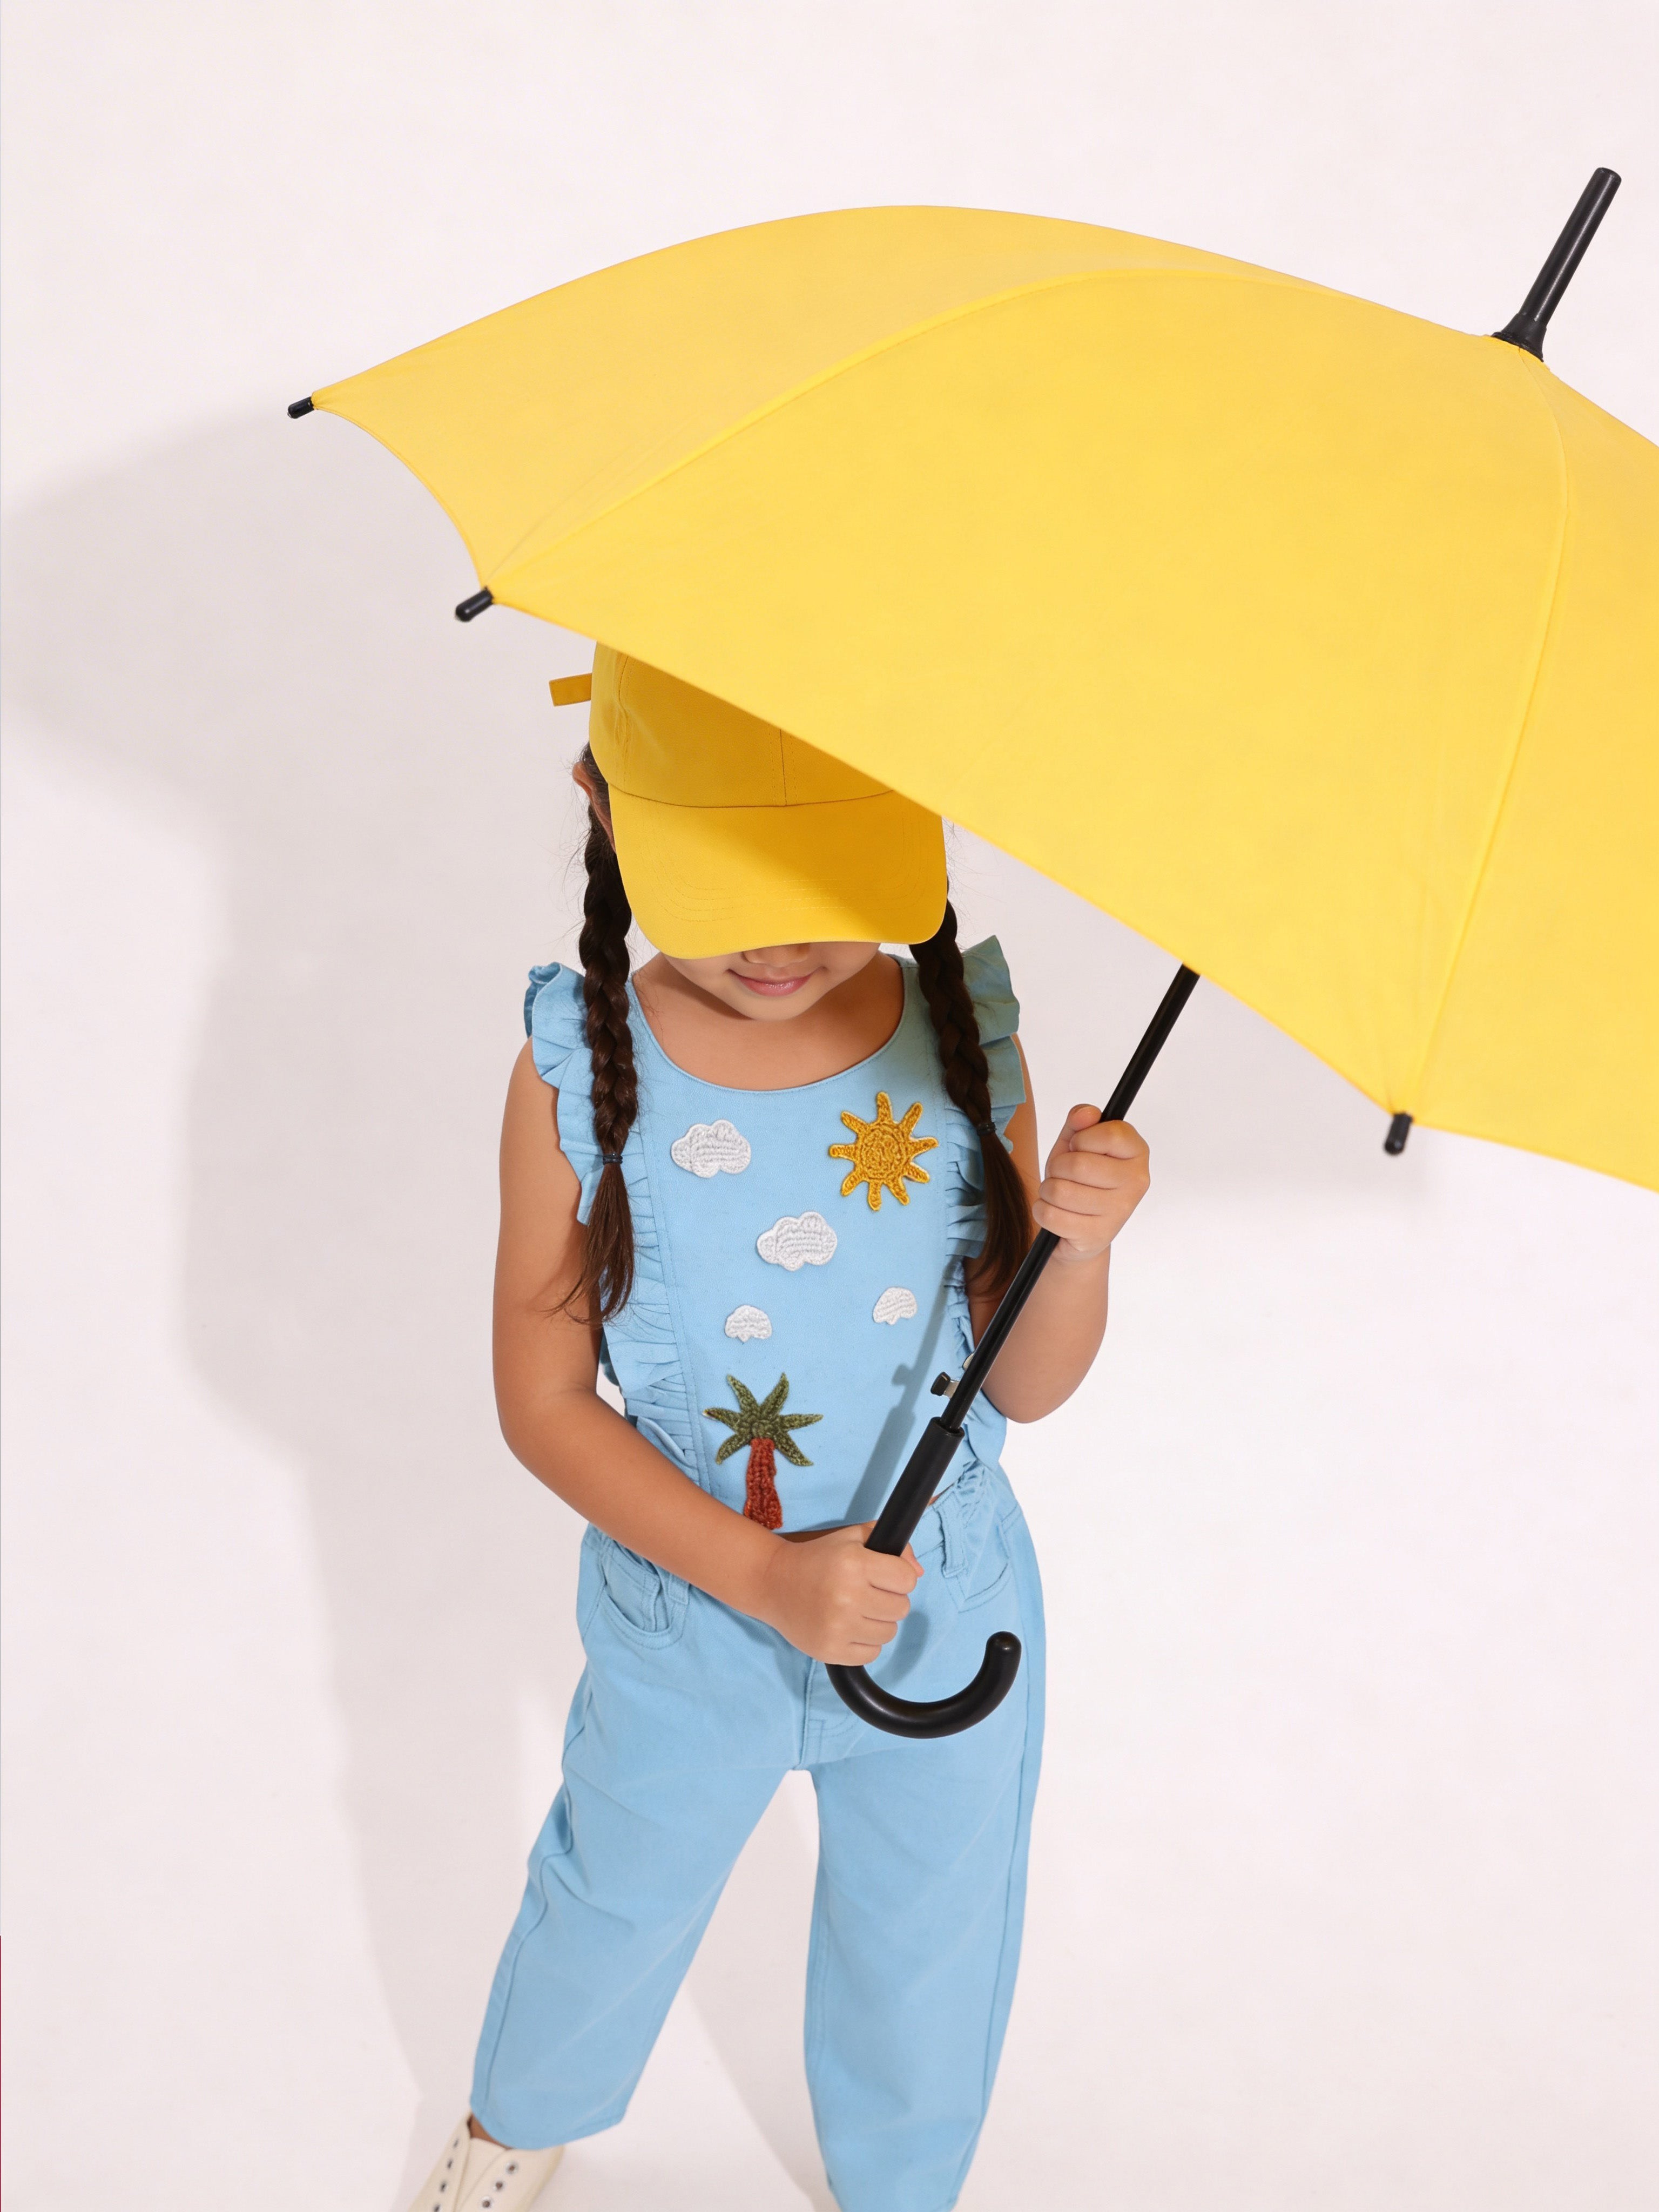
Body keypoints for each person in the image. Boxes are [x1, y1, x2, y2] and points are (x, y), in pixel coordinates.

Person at [409, 649, 1151, 2212]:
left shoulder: (968, 1049)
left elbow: (1023, 1384)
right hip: (695, 1615)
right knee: (613, 1894)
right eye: (722, 871)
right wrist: (763, 1582)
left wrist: (1077, 1248)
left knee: (930, 1939)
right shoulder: (577, 1078)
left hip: (948, 1616)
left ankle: (902, 2191)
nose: (779, 934)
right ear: (604, 804)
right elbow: (542, 1403)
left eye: (827, 869)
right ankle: (506, 2137)